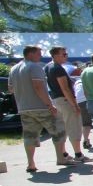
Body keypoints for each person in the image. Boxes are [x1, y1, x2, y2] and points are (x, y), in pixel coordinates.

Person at [9, 45, 69, 173]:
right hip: (40, 106)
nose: (40, 56)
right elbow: (38, 86)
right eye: (38, 53)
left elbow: (11, 89)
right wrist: (49, 104)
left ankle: (31, 163)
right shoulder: (34, 67)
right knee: (58, 129)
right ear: (30, 54)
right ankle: (61, 158)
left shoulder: (14, 69)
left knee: (29, 135)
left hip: (24, 108)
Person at [45, 46, 92, 163]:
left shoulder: (48, 66)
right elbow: (65, 88)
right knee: (74, 127)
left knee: (62, 128)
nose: (66, 56)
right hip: (65, 100)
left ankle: (64, 153)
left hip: (56, 100)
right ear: (56, 55)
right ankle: (78, 154)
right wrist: (75, 105)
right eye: (64, 54)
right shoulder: (58, 68)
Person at [74, 75, 93, 150]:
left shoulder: (77, 82)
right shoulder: (88, 80)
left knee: (85, 123)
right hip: (87, 100)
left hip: (78, 102)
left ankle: (86, 140)